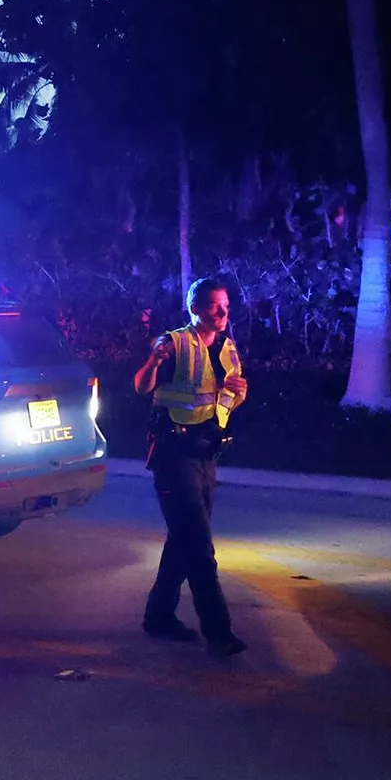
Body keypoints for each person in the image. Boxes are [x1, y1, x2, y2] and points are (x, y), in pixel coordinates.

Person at [132, 277, 249, 658]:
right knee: (198, 546)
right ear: (195, 308)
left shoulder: (227, 348)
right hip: (174, 455)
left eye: (225, 305)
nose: (222, 311)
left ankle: (159, 616)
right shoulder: (175, 343)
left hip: (206, 454)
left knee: (183, 538)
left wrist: (236, 394)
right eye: (214, 305)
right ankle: (219, 632)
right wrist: (155, 360)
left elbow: (225, 397)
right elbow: (141, 386)